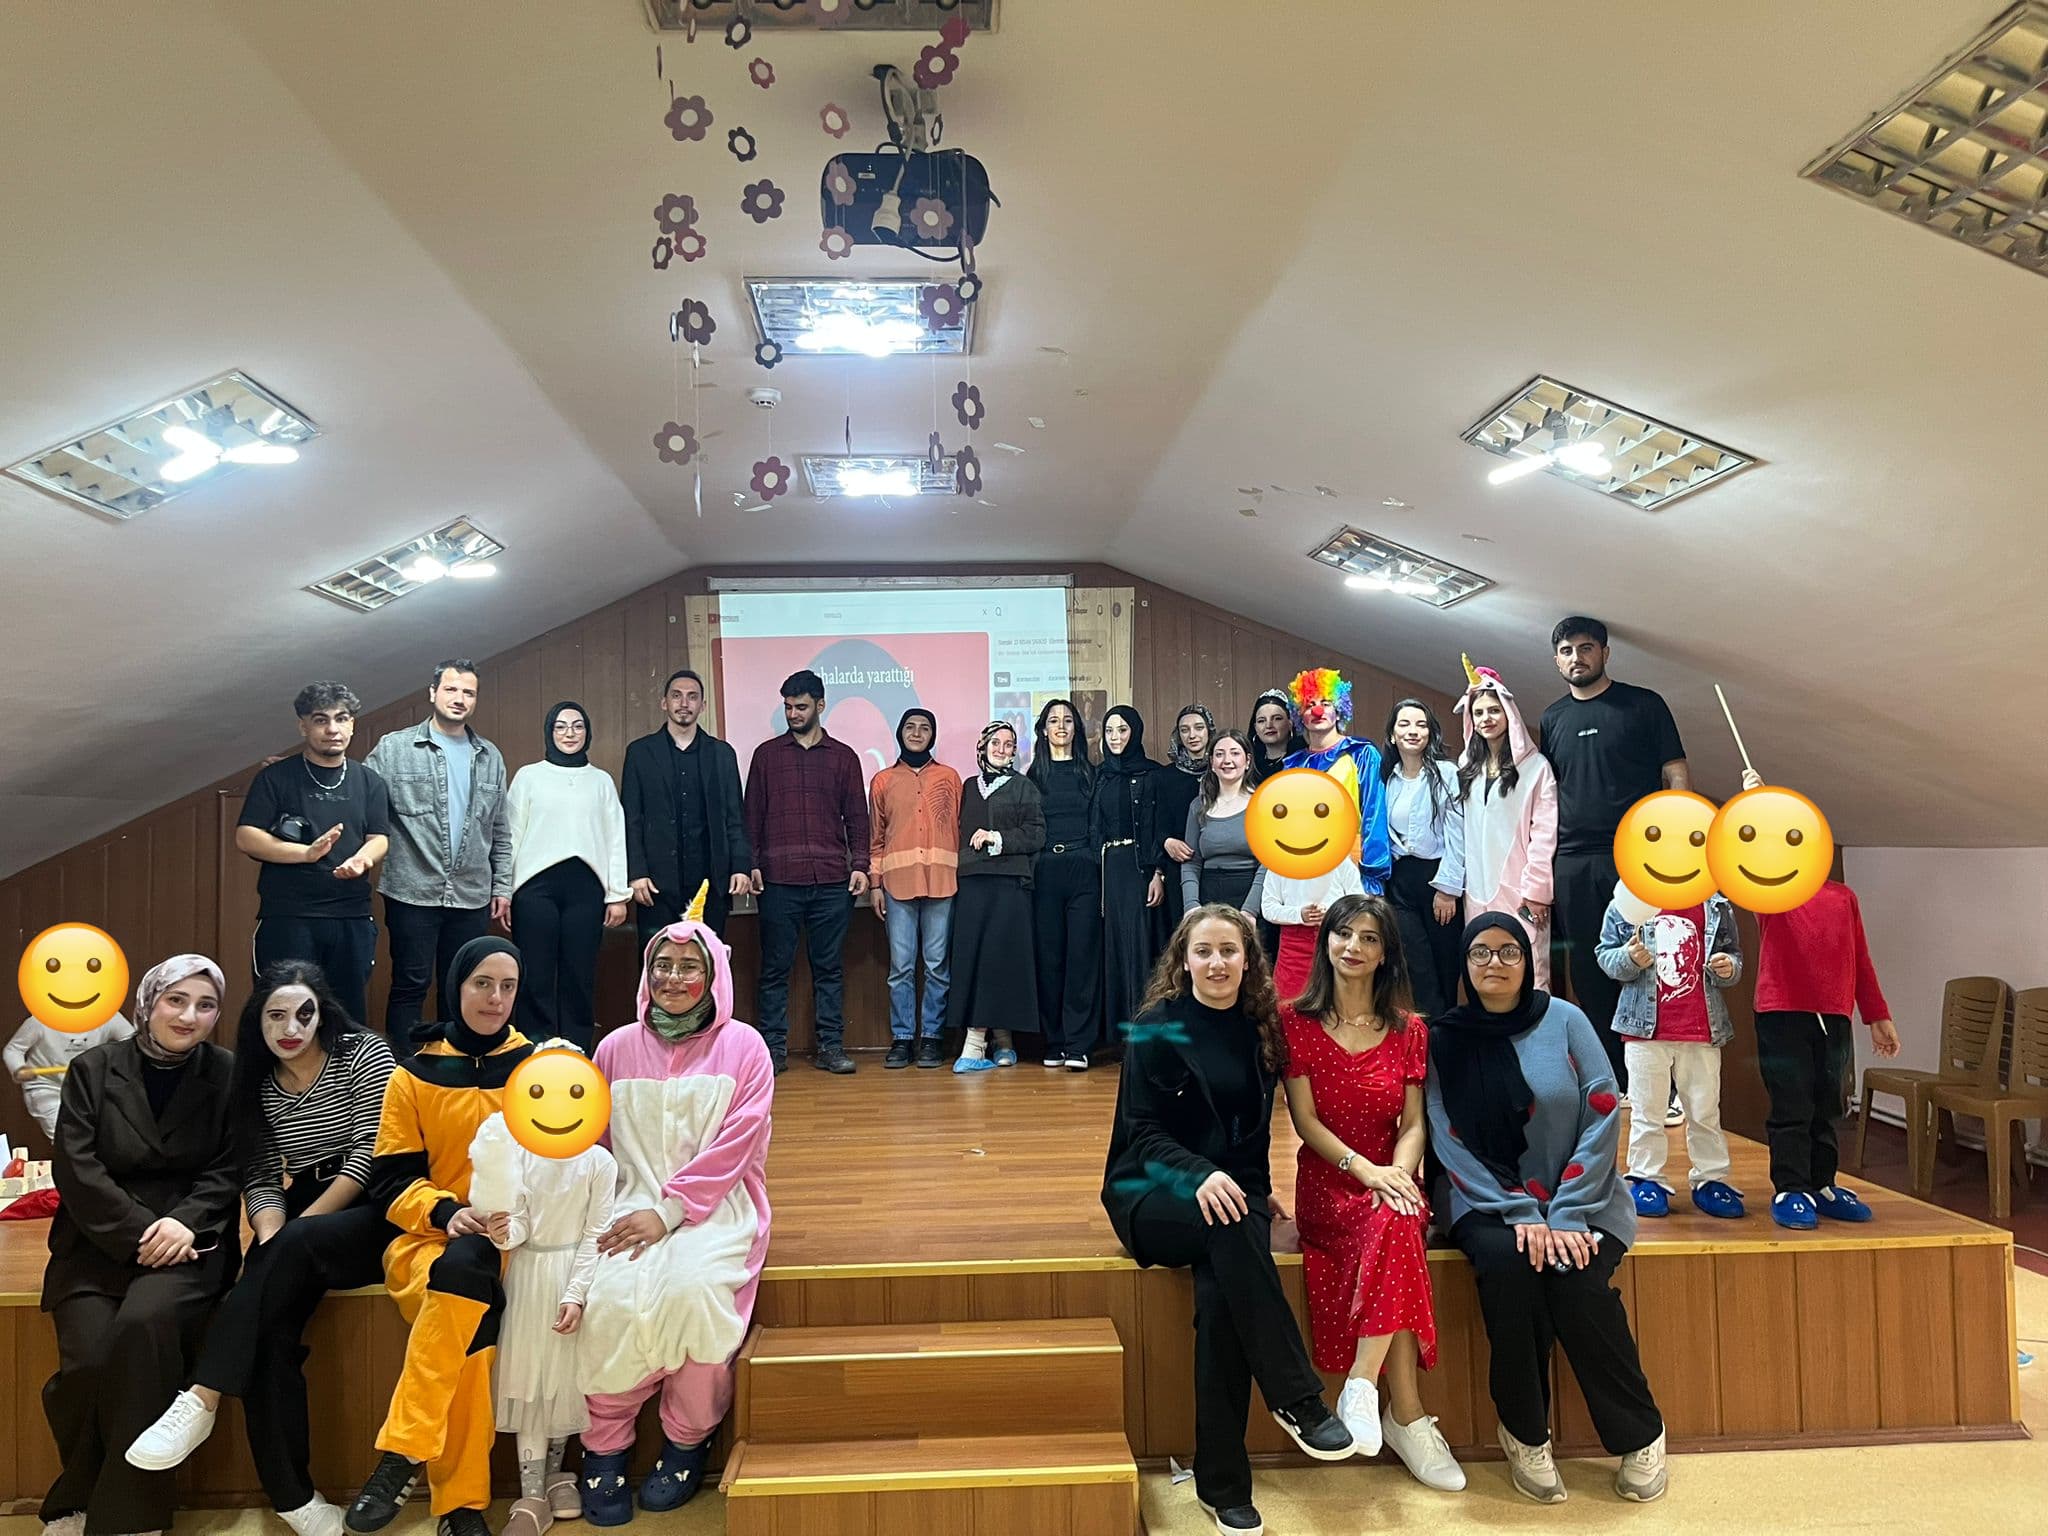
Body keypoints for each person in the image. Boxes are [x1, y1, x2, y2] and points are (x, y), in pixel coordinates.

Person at [1101, 905, 1354, 1534]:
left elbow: (1252, 1136)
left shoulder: (1260, 1028)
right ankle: (1298, 1399)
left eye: (1229, 951)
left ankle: (1222, 1487)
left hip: (1231, 1202)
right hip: (1152, 1192)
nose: (1217, 963)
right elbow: (1141, 1133)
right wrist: (1200, 1175)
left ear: (1248, 960)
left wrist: (1258, 1192)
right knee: (1232, 1229)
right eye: (1204, 952)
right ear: (1184, 962)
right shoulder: (1156, 1027)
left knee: (1222, 1295)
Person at [124, 963, 400, 1536]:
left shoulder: (363, 1054)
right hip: (299, 1215)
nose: (290, 1028)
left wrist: (291, 1238)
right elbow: (261, 1174)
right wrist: (272, 1236)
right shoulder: (254, 1079)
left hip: (376, 1205)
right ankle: (295, 1500)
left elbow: (368, 1155)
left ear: (322, 1015)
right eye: (276, 1016)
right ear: (258, 1022)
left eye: (303, 1014)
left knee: (277, 1262)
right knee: (268, 1332)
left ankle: (200, 1397)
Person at [1426, 914, 1666, 1505]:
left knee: (1576, 1279)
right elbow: (1445, 1135)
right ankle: (1525, 1433)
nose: (1495, 963)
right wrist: (1516, 1208)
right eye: (1481, 952)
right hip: (1481, 1199)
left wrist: (1566, 1212)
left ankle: (1641, 1435)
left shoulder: (1565, 1019)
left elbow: (1603, 1108)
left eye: (1509, 951)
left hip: (1582, 1196)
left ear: (1527, 960)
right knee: (1511, 1270)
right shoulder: (1445, 1038)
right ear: (1465, 963)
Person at [576, 896, 773, 1523]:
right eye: (662, 965)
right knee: (606, 1298)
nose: (673, 978)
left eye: (690, 967)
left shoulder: (745, 1048)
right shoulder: (613, 1049)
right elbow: (595, 1144)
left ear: (714, 976)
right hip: (628, 1202)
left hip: (716, 1206)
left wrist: (670, 1213)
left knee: (694, 1294)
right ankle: (605, 1444)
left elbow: (738, 1144)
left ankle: (688, 1439)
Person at [39, 955, 239, 1536]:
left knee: (142, 1330)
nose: (189, 1015)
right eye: (176, 1000)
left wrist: (183, 1223)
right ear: (149, 1004)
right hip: (97, 1239)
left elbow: (231, 1166)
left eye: (205, 1005)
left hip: (190, 1242)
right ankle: (78, 1499)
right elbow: (76, 1166)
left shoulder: (228, 1072)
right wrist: (138, 1233)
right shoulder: (93, 1068)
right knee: (87, 1362)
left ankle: (129, 1519)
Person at [345, 938, 534, 1536]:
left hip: (518, 1241)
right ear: (456, 986)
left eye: (507, 986)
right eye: (482, 983)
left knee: (469, 1281)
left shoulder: (537, 1070)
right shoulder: (412, 1074)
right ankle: (460, 1507)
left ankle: (405, 1451)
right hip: (431, 1241)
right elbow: (391, 1178)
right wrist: (446, 1212)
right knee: (466, 1286)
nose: (495, 998)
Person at [1279, 896, 1463, 1492]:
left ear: (1386, 954)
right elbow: (1306, 1122)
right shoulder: (1295, 1022)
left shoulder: (1410, 1029)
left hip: (1392, 1178)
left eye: (1369, 938)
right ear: (1326, 942)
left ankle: (1364, 1383)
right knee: (1398, 1225)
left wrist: (1399, 1175)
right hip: (1330, 1182)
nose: (1353, 947)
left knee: (1397, 1220)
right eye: (1343, 934)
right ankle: (1406, 1414)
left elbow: (1413, 1125)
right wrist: (1368, 1172)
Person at [466, 1045, 617, 1536]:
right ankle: (531, 1492)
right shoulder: (519, 1155)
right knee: (530, 1386)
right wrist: (501, 1230)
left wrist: (576, 1292)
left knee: (564, 1383)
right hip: (529, 1278)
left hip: (573, 1274)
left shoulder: (599, 1162)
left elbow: (596, 1232)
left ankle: (555, 1475)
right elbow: (519, 1226)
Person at [1743, 767, 1902, 1231]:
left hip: (1834, 1017)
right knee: (1791, 1104)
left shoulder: (1843, 897)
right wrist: (1758, 804)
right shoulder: (1771, 893)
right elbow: (1749, 850)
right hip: (1781, 1015)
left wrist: (1878, 1015)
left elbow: (1861, 959)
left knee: (1828, 1104)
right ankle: (1791, 1187)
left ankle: (1822, 1183)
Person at [1537, 617, 1689, 1091]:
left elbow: (1675, 772)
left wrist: (1679, 837)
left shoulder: (1644, 704)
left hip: (1637, 857)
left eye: (1586, 648)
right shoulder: (1552, 718)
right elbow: (1548, 791)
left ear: (1605, 653)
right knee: (1589, 971)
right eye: (1566, 651)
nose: (1576, 658)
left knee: (1652, 963)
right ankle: (1614, 1084)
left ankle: (1661, 1090)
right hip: (1572, 861)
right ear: (1556, 660)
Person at [365, 661, 513, 1045]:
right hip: (412, 890)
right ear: (432, 693)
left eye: (468, 692)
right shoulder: (395, 749)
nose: (459, 698)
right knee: (410, 984)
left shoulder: (490, 756)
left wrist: (502, 887)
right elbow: (357, 794)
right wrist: (303, 773)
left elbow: (500, 830)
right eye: (451, 689)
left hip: (471, 895)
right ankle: (404, 1069)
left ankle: (454, 1067)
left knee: (463, 987)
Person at [236, 681, 390, 1030]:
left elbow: (379, 837)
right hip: (289, 917)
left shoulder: (370, 782)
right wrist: (305, 853)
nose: (332, 729)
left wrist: (363, 859)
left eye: (341, 718)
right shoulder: (275, 777)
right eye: (321, 719)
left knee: (346, 1020)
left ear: (352, 724)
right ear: (303, 726)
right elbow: (246, 837)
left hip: (352, 917)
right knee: (284, 1015)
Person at [743, 670, 872, 1076]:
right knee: (774, 968)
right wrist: (751, 863)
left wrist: (861, 864)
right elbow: (752, 816)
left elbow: (857, 817)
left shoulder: (844, 757)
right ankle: (772, 1050)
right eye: (787, 707)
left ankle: (831, 1047)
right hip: (778, 880)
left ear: (820, 705)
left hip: (831, 880)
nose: (793, 714)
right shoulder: (766, 756)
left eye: (800, 706)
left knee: (829, 968)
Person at [1598, 888, 1746, 1219]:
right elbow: (1605, 955)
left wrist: (1729, 967)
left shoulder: (1715, 904)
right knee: (1646, 1110)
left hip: (1702, 1031)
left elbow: (1733, 954)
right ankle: (1646, 1177)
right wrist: (1629, 959)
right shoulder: (1630, 898)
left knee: (1705, 1111)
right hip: (1644, 1031)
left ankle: (1711, 1178)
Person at [506, 703, 631, 1052]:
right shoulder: (529, 776)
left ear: (587, 732)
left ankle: (577, 1050)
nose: (569, 733)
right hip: (533, 890)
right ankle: (534, 1049)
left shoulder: (601, 781)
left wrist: (617, 894)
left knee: (579, 974)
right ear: (549, 732)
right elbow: (510, 835)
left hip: (586, 891)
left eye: (577, 726)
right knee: (535, 974)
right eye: (561, 726)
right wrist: (503, 890)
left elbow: (615, 838)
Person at [620, 670, 751, 946]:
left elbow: (735, 817)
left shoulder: (722, 754)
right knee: (658, 961)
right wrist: (636, 872)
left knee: (708, 960)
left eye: (692, 697)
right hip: (656, 886)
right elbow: (632, 819)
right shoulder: (640, 753)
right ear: (664, 703)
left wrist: (740, 866)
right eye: (676, 696)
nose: (684, 703)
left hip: (711, 883)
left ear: (703, 705)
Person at [1451, 659, 1558, 990]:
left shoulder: (1536, 768)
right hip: (1476, 889)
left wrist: (1536, 891)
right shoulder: (1466, 767)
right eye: (1478, 712)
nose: (1486, 718)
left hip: (1521, 891)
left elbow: (1544, 833)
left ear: (1509, 713)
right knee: (1483, 966)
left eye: (1493, 710)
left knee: (1529, 968)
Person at [867, 708, 962, 1070]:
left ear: (933, 735)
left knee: (937, 966)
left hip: (942, 881)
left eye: (925, 728)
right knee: (901, 967)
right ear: (900, 733)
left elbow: (959, 827)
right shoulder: (882, 781)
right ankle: (903, 1038)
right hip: (897, 884)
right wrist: (875, 884)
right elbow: (876, 839)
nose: (917, 733)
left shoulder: (950, 778)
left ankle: (932, 1038)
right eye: (910, 727)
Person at [950, 722, 1045, 1074]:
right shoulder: (967, 786)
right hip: (971, 884)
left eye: (1009, 744)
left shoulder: (1024, 786)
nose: (1002, 749)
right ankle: (1003, 1041)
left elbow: (1036, 834)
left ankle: (977, 1045)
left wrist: (996, 837)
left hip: (1009, 886)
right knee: (975, 960)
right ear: (983, 746)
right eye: (996, 743)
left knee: (1000, 961)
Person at [1026, 699, 1100, 1069]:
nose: (1060, 726)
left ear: (1076, 729)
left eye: (1067, 720)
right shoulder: (1032, 776)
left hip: (1083, 868)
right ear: (1043, 730)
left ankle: (1078, 1044)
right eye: (1053, 720)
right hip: (1045, 870)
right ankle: (1054, 1041)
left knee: (1081, 958)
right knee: (1049, 958)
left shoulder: (1091, 773)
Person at [1379, 699, 1465, 1018]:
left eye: (1421, 724)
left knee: (1445, 965)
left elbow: (1458, 834)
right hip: (1400, 882)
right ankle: (1426, 1035)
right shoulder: (1387, 778)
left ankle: (1446, 1032)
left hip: (1438, 878)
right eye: (1404, 724)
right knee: (1416, 967)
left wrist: (1448, 889)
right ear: (1392, 735)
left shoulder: (1446, 773)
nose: (1413, 731)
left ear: (1430, 733)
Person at [1092, 705, 1164, 1065]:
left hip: (1139, 868)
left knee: (1139, 949)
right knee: (1112, 951)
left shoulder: (1152, 774)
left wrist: (1157, 872)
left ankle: (1143, 1034)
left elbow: (1158, 825)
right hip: (1108, 870)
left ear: (1135, 732)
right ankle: (1119, 1038)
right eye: (1109, 731)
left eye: (1122, 730)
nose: (1116, 737)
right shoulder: (1099, 776)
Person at [1282, 669, 1393, 893]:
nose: (1318, 710)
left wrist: (1372, 874)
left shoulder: (1361, 754)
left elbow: (1374, 813)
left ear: (1339, 711)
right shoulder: (1294, 764)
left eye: (1326, 703)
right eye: (1309, 705)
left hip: (1351, 865)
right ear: (1300, 716)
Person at [1261, 838, 1366, 1004]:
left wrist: (1332, 914)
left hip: (1334, 942)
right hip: (1293, 947)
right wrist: (1299, 914)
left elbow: (1358, 902)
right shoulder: (1279, 864)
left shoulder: (1340, 861)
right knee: (1288, 1004)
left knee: (1335, 1001)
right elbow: (1268, 908)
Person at [8, 1009, 133, 1144]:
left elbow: (132, 1042)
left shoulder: (107, 1015)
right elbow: (14, 1049)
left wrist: (114, 1061)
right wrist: (18, 1068)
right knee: (68, 1139)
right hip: (47, 1087)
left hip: (90, 1087)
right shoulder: (39, 1020)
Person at [1145, 704, 1216, 929]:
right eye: (1185, 730)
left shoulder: (1223, 769)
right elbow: (1157, 823)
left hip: (1217, 864)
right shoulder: (1164, 776)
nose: (1192, 735)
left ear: (1209, 731)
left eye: (1198, 728)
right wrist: (1166, 842)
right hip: (1179, 865)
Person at [1178, 731, 1259, 914]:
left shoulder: (1262, 803)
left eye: (1235, 753)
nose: (1227, 760)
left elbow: (1267, 865)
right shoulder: (1198, 806)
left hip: (1250, 896)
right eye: (1220, 754)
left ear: (1247, 761)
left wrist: (1250, 911)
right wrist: (1191, 906)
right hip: (1209, 897)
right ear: (1212, 763)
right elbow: (1191, 862)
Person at [1245, 688, 1305, 786]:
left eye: (1277, 719)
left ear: (1290, 723)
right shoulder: (1248, 765)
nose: (1269, 725)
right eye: (1261, 721)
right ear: (1255, 727)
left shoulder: (1304, 760)